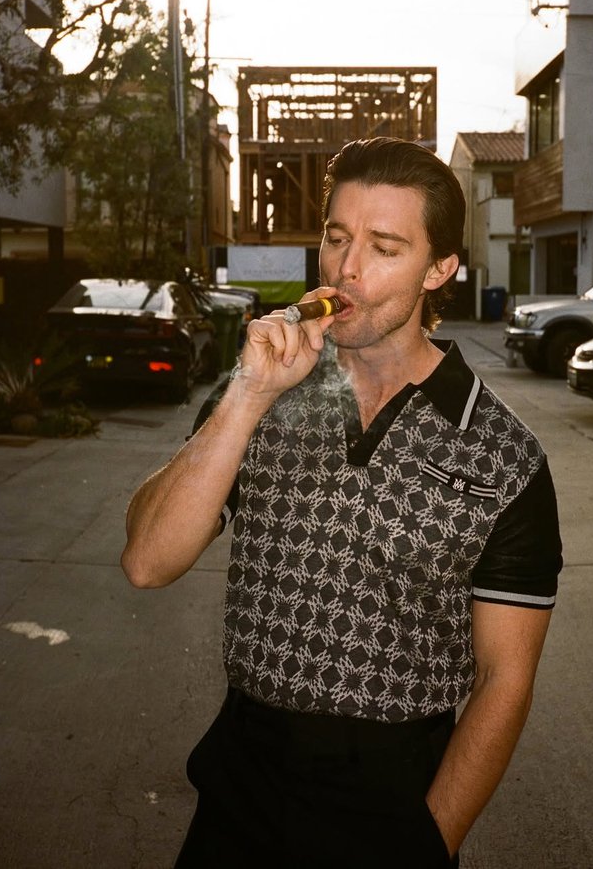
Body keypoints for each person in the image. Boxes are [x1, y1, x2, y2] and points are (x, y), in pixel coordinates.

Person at [121, 136, 563, 868]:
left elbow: (503, 681)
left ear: (439, 269)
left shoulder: (503, 455)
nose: (346, 268)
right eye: (336, 238)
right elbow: (146, 562)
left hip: (394, 795)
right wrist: (248, 396)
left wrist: (428, 843)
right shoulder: (260, 390)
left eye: (384, 247)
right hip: (241, 782)